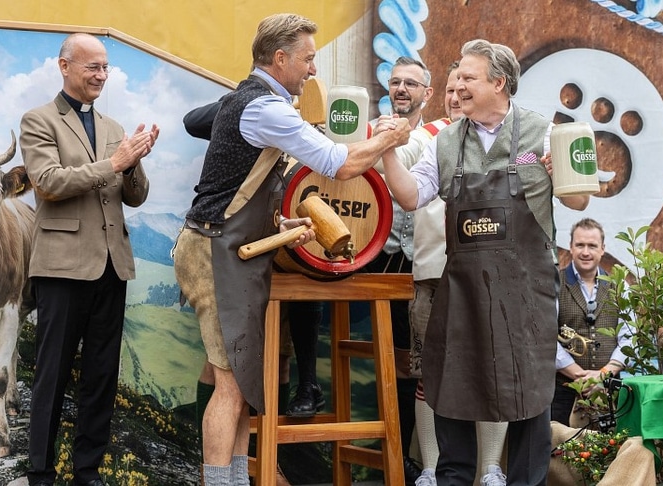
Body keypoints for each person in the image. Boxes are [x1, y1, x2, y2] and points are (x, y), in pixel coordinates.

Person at [171, 13, 410, 485]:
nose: (313, 70)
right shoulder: (265, 108)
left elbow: (244, 187)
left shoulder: (255, 102)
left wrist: (281, 223)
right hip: (217, 253)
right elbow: (337, 165)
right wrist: (388, 137)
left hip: (233, 250)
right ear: (280, 59)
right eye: (308, 59)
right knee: (231, 385)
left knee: (244, 385)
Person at [380, 39, 589, 485]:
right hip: (464, 290)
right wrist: (386, 151)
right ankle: (453, 477)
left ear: (500, 83)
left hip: (526, 291)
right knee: (456, 380)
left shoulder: (543, 134)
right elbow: (411, 195)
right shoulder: (445, 142)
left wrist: (559, 175)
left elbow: (578, 197)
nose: (457, 87)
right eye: (456, 79)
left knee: (528, 387)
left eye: (468, 78)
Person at [19, 33, 158, 486]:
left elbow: (134, 197)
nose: (101, 75)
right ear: (64, 66)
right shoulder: (38, 120)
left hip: (111, 266)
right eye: (91, 67)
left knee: (101, 374)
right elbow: (48, 183)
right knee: (52, 374)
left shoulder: (116, 128)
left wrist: (134, 161)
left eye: (105, 68)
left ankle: (88, 470)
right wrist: (116, 163)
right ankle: (40, 471)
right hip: (61, 267)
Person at [367, 55, 434, 485]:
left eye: (411, 83)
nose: (402, 89)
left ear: (427, 93)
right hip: (379, 257)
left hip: (424, 265)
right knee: (380, 360)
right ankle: (380, 450)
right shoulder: (367, 131)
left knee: (414, 364)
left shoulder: (439, 135)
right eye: (395, 82)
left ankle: (407, 457)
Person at [552, 218, 635, 426]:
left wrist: (603, 374)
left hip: (610, 389)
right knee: (562, 452)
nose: (585, 252)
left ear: (602, 249)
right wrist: (578, 375)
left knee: (612, 451)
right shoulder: (554, 284)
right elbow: (544, 337)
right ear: (571, 247)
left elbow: (630, 338)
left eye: (592, 246)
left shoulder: (619, 286)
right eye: (580, 245)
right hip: (564, 392)